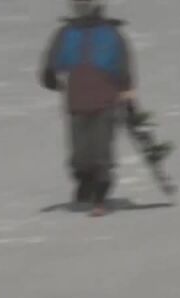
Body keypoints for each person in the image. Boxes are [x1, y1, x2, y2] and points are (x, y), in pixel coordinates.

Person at [39, 0, 135, 216]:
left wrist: (127, 93)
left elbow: (123, 65)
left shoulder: (110, 34)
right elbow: (53, 58)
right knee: (80, 154)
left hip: (106, 102)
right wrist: (49, 74)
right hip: (77, 103)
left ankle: (100, 196)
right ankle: (85, 180)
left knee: (101, 151)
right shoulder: (67, 33)